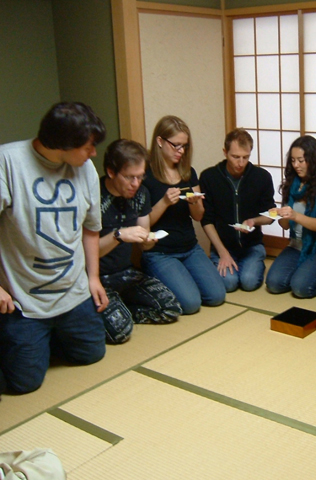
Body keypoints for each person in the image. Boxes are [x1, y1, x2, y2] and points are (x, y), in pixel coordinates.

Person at [0, 102, 108, 394]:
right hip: (24, 299)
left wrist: (93, 277)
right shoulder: (7, 162)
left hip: (72, 291)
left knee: (92, 354)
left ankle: (50, 337)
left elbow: (91, 227)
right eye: (88, 146)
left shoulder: (84, 168)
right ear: (63, 144)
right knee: (24, 383)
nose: (93, 153)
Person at [98, 139, 182, 344]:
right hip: (97, 278)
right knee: (120, 333)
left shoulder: (141, 194)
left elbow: (146, 238)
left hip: (126, 273)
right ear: (111, 172)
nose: (136, 183)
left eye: (140, 176)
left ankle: (123, 311)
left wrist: (148, 240)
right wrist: (119, 235)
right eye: (129, 177)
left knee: (172, 308)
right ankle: (115, 316)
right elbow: (86, 252)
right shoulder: (93, 196)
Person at [142, 116, 225, 315]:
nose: (181, 151)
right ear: (160, 141)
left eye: (184, 146)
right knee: (190, 304)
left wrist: (195, 203)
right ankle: (152, 279)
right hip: (160, 252)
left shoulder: (188, 172)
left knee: (217, 296)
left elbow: (198, 216)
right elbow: (143, 227)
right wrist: (163, 202)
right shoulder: (146, 175)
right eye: (176, 145)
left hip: (189, 247)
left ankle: (180, 278)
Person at [199, 128, 275, 292]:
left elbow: (270, 215)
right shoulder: (209, 177)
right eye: (235, 157)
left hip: (252, 245)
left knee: (248, 282)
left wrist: (254, 221)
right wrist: (222, 252)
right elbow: (207, 220)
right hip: (223, 246)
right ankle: (223, 261)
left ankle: (254, 265)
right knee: (229, 284)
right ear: (225, 152)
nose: (240, 163)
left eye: (245, 157)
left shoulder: (261, 177)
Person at [265, 136, 316, 298]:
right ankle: (305, 273)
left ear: (312, 160)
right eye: (293, 160)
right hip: (295, 245)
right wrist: (281, 214)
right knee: (274, 284)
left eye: (301, 160)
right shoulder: (292, 184)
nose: (296, 165)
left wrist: (295, 215)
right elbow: (286, 226)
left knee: (301, 288)